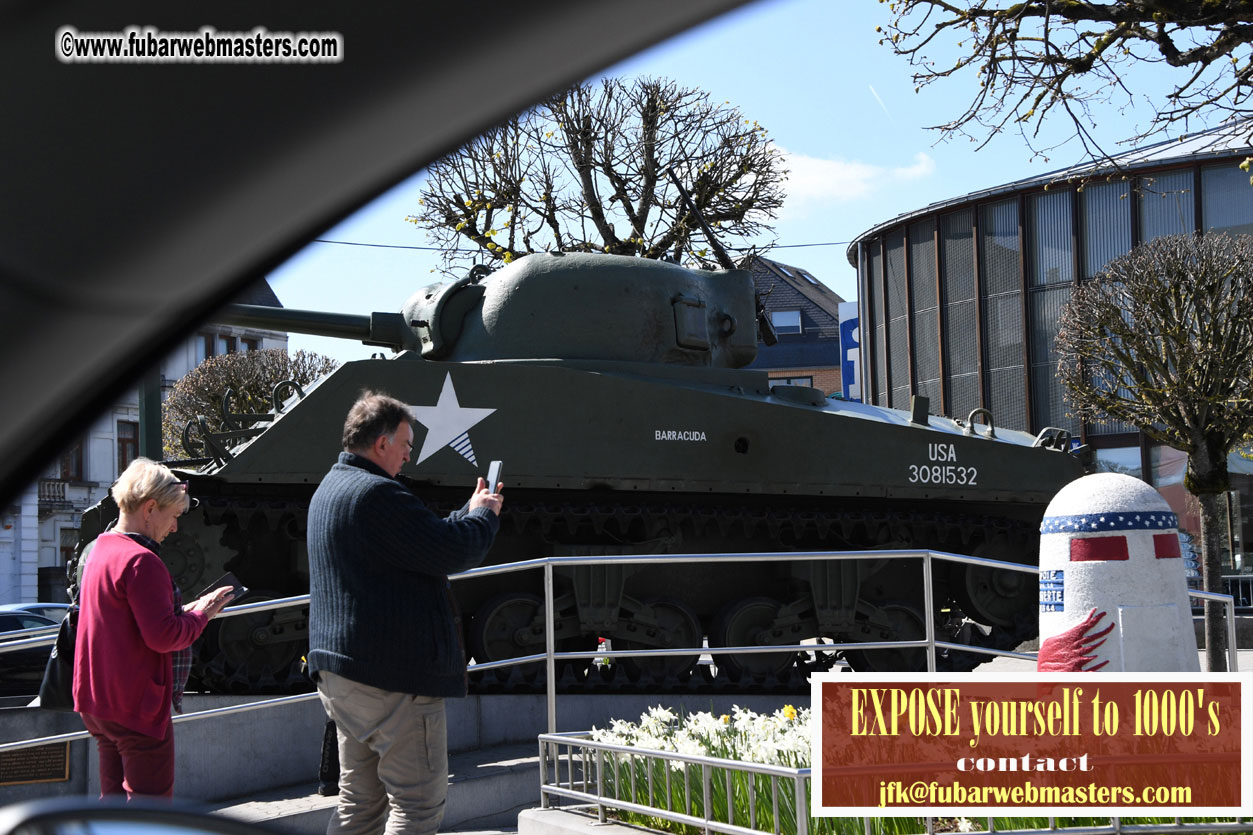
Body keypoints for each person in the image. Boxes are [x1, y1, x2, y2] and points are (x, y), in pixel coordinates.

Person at [307, 391, 502, 835]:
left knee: (359, 806)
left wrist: (468, 511)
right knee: (417, 806)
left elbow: (423, 540)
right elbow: (451, 549)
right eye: (406, 444)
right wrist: (486, 519)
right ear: (381, 444)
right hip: (393, 680)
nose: (409, 455)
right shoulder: (378, 494)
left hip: (344, 677)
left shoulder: (331, 488)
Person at [73, 458, 235, 799]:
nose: (175, 527)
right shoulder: (142, 561)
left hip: (98, 702)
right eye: (174, 515)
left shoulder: (102, 548)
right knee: (150, 809)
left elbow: (127, 618)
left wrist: (185, 611)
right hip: (136, 705)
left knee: (114, 804)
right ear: (150, 508)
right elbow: (163, 637)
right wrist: (202, 614)